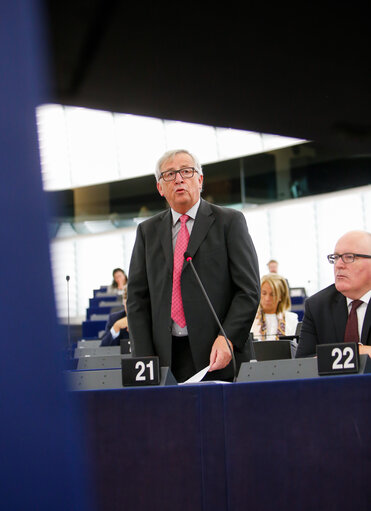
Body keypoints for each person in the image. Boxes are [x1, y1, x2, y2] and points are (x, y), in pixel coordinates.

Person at [126, 149, 260, 382]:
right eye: (169, 174)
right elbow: (137, 299)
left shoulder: (229, 222)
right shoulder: (147, 232)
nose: (178, 179)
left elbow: (248, 290)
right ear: (160, 187)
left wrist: (227, 337)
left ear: (200, 180)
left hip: (219, 354)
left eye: (186, 171)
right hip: (166, 357)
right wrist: (145, 359)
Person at [296, 230, 371, 358]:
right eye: (336, 257)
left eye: (349, 257)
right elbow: (303, 363)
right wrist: (355, 354)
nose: (339, 265)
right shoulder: (317, 306)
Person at [251, 274, 298, 340]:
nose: (267, 298)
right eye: (264, 293)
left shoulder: (291, 319)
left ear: (281, 296)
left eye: (272, 295)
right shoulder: (251, 318)